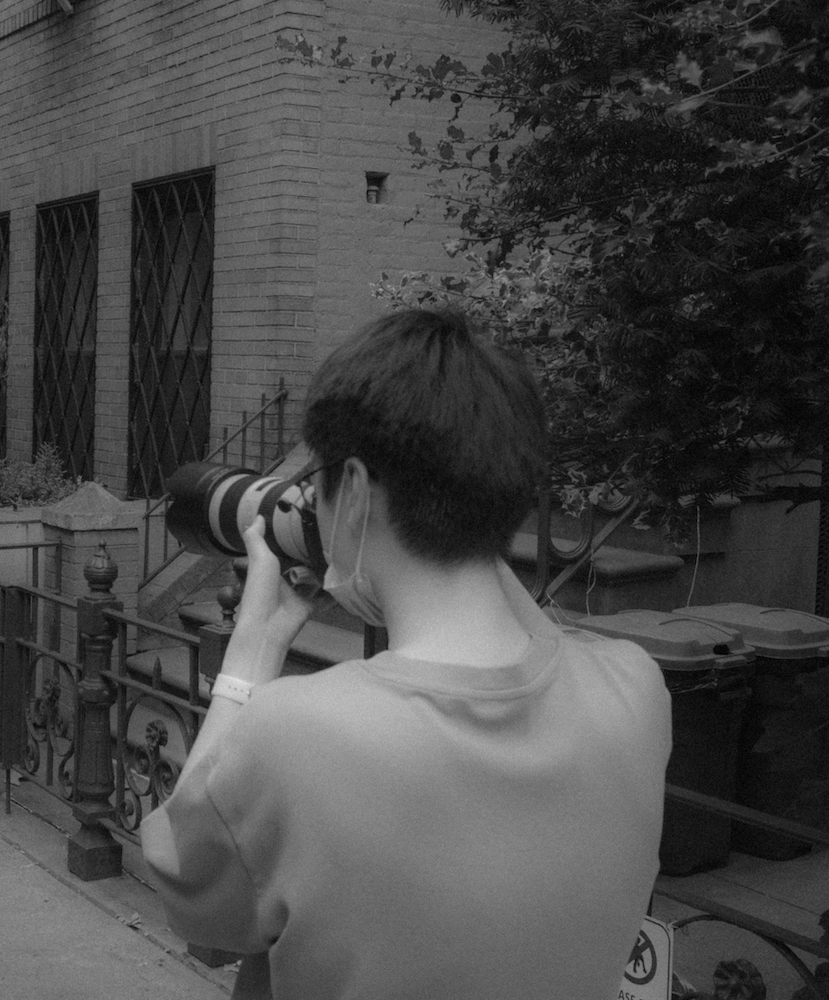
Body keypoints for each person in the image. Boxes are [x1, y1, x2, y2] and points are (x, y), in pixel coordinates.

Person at [139, 310, 672, 1000]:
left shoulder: (295, 734)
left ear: (355, 491)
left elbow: (200, 912)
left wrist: (253, 652)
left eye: (318, 481)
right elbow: (532, 637)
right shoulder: (635, 691)